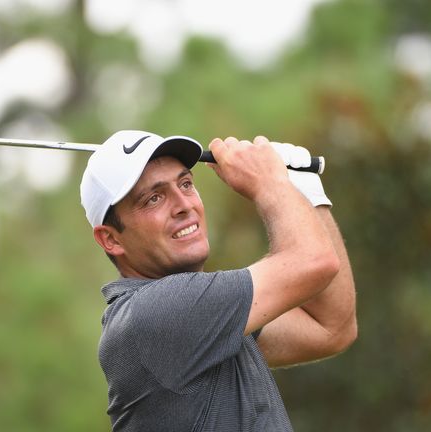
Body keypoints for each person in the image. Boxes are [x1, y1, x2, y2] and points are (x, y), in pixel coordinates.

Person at [79, 130, 357, 431]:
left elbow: (331, 327)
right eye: (153, 199)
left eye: (185, 184)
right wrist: (271, 183)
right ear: (110, 239)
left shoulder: (207, 317)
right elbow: (314, 261)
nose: (184, 204)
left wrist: (304, 190)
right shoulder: (154, 314)